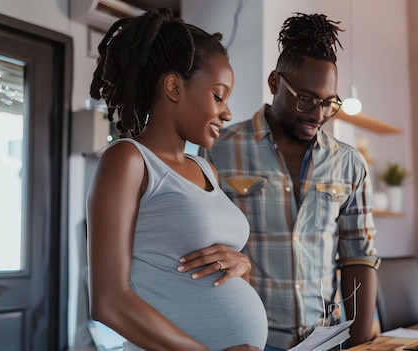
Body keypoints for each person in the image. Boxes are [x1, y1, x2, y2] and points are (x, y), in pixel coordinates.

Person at [86, 8, 267, 351]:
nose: (227, 113)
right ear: (173, 87)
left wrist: (243, 267)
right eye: (218, 95)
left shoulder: (204, 168)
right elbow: (109, 301)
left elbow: (205, 275)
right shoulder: (127, 160)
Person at [199, 12, 379, 350]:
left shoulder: (349, 163)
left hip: (326, 341)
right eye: (307, 99)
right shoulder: (218, 152)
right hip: (249, 339)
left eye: (329, 104)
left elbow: (359, 257)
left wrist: (360, 344)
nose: (318, 114)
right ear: (274, 83)